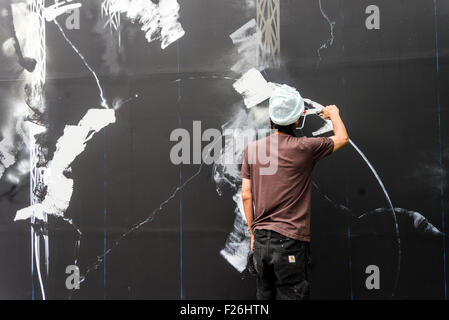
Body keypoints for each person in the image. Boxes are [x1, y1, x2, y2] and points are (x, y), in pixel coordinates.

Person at [241, 84, 349, 300]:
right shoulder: (305, 148)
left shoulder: (252, 150)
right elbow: (343, 138)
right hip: (289, 241)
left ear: (272, 117)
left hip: (261, 242)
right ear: (298, 119)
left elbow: (246, 195)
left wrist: (253, 233)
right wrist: (334, 114)